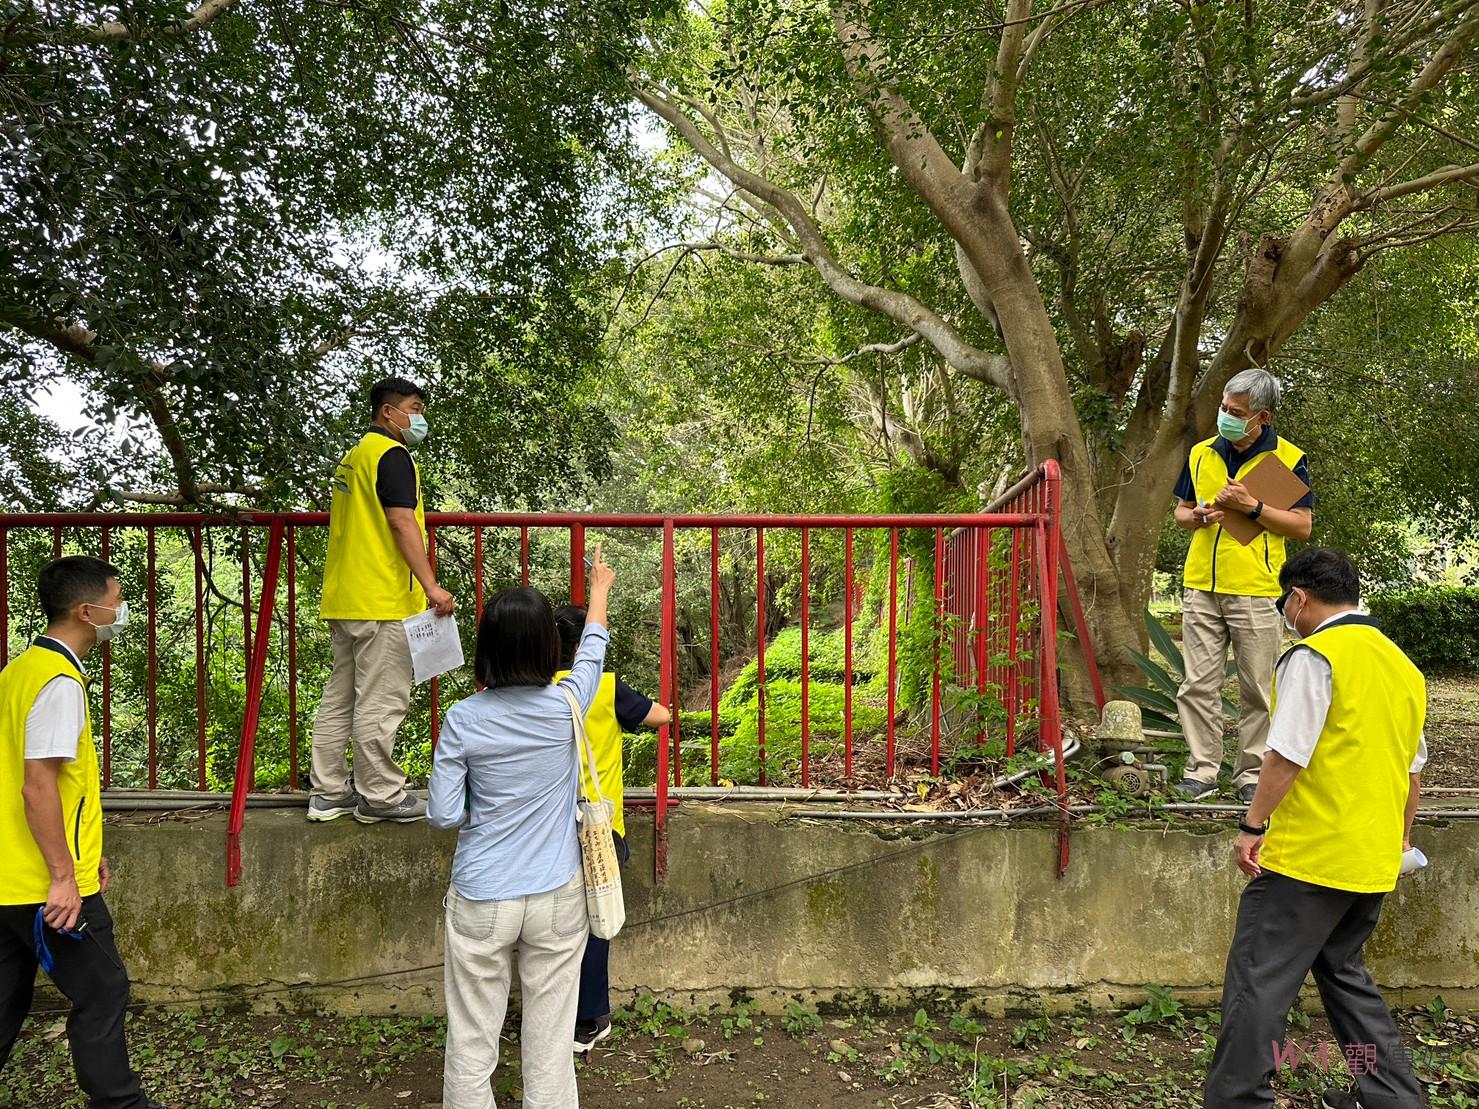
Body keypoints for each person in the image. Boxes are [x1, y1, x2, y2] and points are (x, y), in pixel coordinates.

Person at [1203, 548, 1427, 1109]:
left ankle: (1238, 1099)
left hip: (1308, 860)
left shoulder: (1315, 656)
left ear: (1298, 598)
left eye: (1285, 602)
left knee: (1259, 982)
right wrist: (1399, 838)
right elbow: (1412, 769)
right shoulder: (1402, 666)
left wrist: (1251, 825)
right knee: (1344, 978)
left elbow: (1286, 755)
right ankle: (1392, 1096)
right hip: (1370, 862)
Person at [428, 548, 617, 1109]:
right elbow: (594, 651)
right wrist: (598, 588)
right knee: (551, 1037)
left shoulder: (463, 719)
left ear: (486, 648)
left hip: (483, 895)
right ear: (547, 647)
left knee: (470, 1036)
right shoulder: (566, 705)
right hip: (557, 896)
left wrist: (482, 813)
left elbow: (441, 814)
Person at [0, 557, 167, 1109]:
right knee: (103, 990)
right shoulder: (60, 682)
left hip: (9, 876)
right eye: (116, 600)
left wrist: (85, 853)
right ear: (85, 610)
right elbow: (38, 788)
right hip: (44, 887)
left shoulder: (20, 670)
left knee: (5, 998)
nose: (120, 610)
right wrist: (63, 875)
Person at [309, 376, 456, 825]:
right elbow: (401, 523)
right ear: (388, 412)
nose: (420, 417)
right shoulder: (393, 456)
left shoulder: (352, 459)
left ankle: (328, 792)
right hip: (382, 600)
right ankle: (381, 796)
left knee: (340, 698)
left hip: (346, 596)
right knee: (381, 699)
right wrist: (431, 586)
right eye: (414, 407)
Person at [1171, 368, 1314, 804]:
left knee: (1257, 688)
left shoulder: (1287, 459)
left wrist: (1251, 506)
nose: (1225, 417)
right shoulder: (1201, 453)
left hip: (1254, 588)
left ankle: (1251, 775)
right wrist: (1196, 517)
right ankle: (1201, 772)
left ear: (1261, 417)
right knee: (1197, 684)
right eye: (1223, 409)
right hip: (1201, 584)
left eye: (1235, 412)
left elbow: (1301, 526)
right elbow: (1181, 511)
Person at [552, 605, 671, 1053]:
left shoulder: (539, 689)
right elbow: (659, 716)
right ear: (588, 646)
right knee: (596, 921)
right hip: (601, 827)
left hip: (547, 825)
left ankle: (554, 1014)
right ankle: (590, 1019)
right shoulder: (603, 687)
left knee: (551, 925)